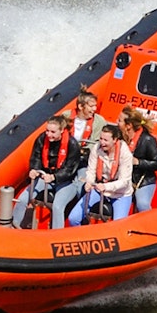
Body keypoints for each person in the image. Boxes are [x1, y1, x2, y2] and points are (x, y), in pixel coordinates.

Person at [49, 89, 106, 228]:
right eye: (91, 106)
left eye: (95, 106)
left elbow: (95, 145)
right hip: (66, 159)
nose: (94, 109)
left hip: (83, 161)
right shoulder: (66, 116)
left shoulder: (99, 121)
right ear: (81, 106)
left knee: (81, 185)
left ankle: (79, 216)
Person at [12, 115, 81, 228]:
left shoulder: (72, 145)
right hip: (45, 178)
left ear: (62, 131)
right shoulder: (42, 139)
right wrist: (34, 169)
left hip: (66, 182)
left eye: (53, 132)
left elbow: (70, 169)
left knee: (57, 206)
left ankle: (56, 235)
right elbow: (36, 157)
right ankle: (14, 226)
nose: (49, 135)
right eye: (47, 131)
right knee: (23, 199)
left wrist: (54, 177)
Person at [68, 124, 135, 226]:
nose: (102, 143)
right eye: (101, 139)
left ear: (115, 140)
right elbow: (91, 170)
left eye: (106, 140)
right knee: (73, 218)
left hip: (120, 194)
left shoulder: (125, 154)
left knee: (118, 226)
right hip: (99, 189)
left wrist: (105, 186)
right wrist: (89, 182)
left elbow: (124, 182)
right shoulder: (96, 148)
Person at [119, 106, 157, 212]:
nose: (117, 122)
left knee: (142, 204)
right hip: (123, 178)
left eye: (119, 120)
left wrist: (138, 162)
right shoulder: (120, 136)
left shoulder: (147, 140)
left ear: (128, 126)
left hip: (143, 181)